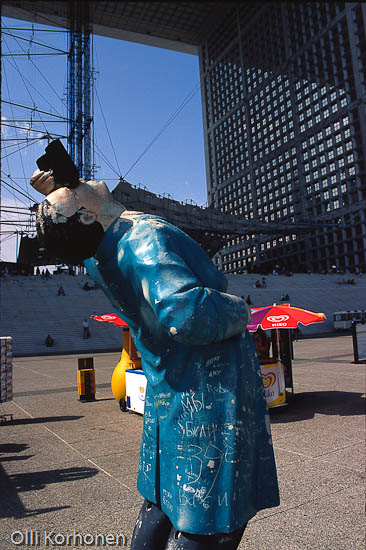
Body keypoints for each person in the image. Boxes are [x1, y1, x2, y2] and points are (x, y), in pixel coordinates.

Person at [30, 166, 279, 550]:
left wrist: (60, 195)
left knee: (160, 502)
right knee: (210, 517)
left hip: (167, 384)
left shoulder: (98, 254)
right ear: (84, 215)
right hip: (207, 387)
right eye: (72, 192)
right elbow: (188, 315)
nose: (80, 183)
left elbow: (89, 216)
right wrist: (240, 311)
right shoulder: (144, 238)